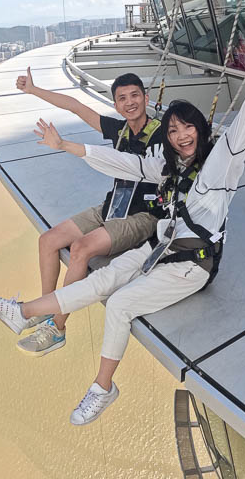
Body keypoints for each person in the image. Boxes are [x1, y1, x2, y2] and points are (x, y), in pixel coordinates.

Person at [0, 22, 245, 425]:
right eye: (173, 130)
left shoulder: (221, 164)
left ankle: (103, 387)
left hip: (190, 266)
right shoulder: (165, 166)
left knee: (118, 304)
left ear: (201, 130)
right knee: (99, 284)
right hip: (158, 250)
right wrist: (66, 145)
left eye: (189, 127)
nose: (182, 135)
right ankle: (24, 312)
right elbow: (124, 163)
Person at [10, 68, 163, 356]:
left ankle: (57, 328)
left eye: (134, 96)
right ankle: (46, 307)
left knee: (80, 249)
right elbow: (76, 107)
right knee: (48, 240)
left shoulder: (161, 133)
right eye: (122, 98)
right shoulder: (119, 130)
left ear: (146, 97)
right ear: (116, 105)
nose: (129, 103)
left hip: (144, 215)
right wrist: (33, 90)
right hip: (113, 205)